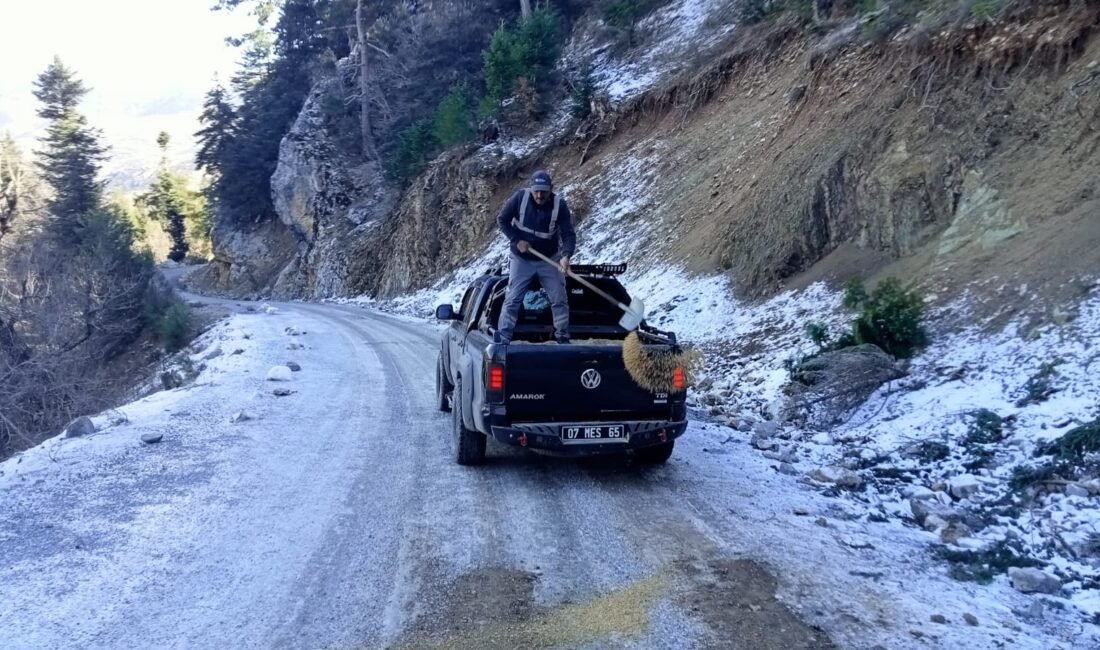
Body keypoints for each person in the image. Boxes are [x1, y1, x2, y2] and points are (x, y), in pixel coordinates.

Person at [495, 170, 576, 344]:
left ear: (551, 189)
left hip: (549, 258)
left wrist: (565, 256)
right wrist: (517, 241)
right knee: (513, 298)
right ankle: (503, 337)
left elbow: (568, 234)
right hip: (521, 259)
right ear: (531, 188)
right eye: (536, 191)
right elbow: (502, 220)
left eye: (544, 191)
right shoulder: (519, 199)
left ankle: (562, 336)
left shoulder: (559, 205)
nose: (539, 195)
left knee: (559, 298)